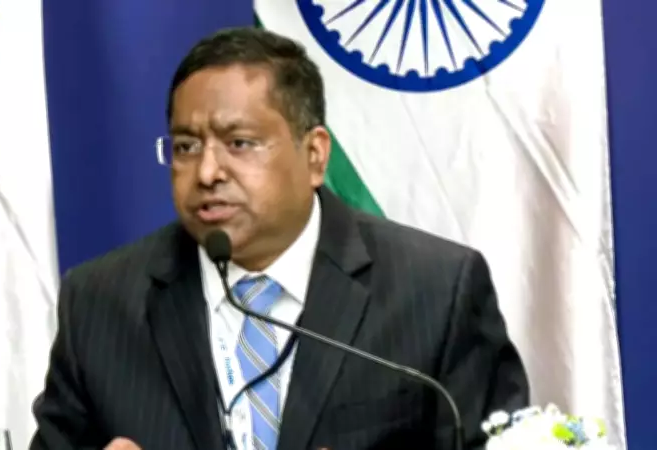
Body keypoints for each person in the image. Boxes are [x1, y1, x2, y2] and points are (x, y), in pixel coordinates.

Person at [29, 27, 529, 450]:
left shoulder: (436, 292)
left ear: (314, 155)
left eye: (239, 143)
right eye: (185, 146)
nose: (207, 171)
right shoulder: (99, 303)